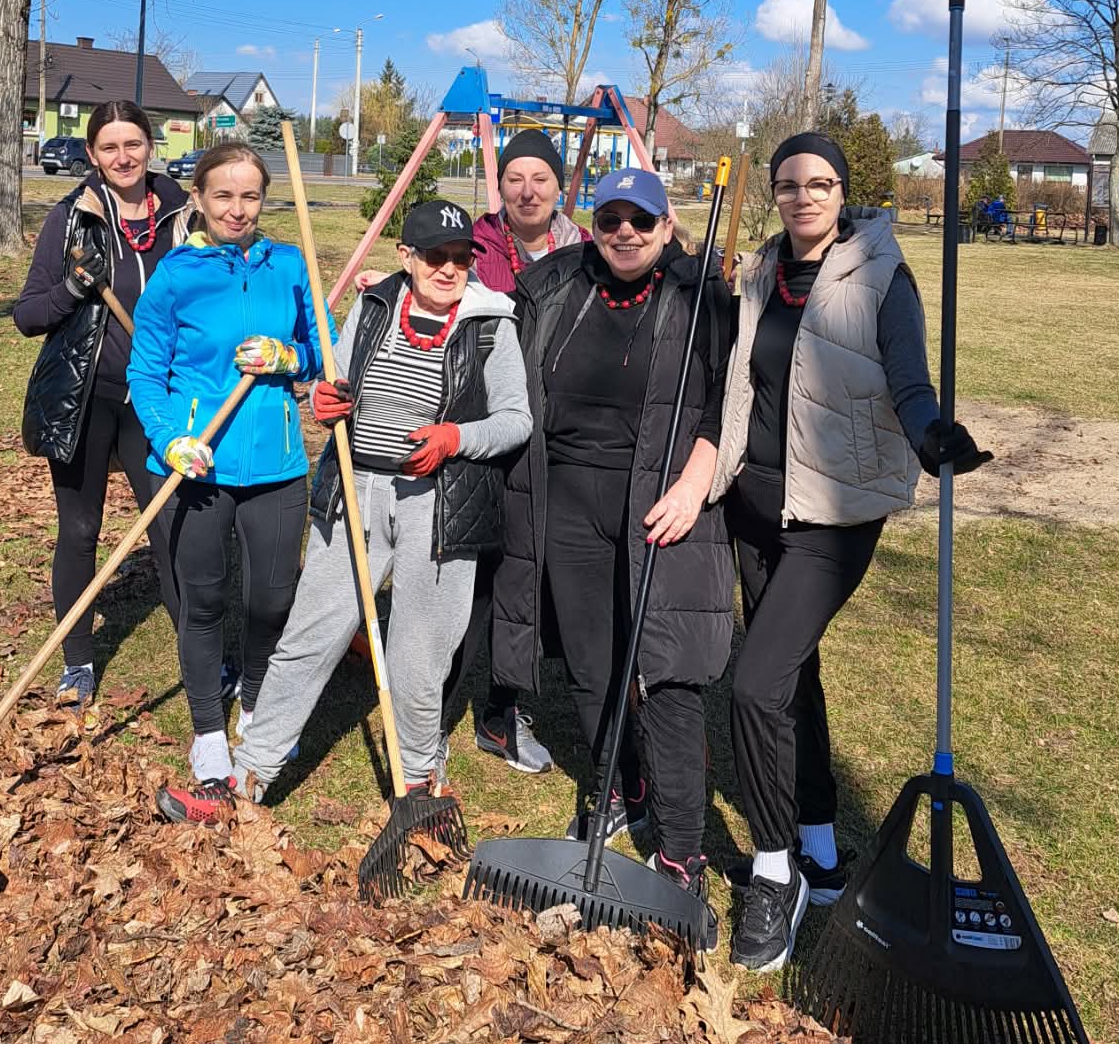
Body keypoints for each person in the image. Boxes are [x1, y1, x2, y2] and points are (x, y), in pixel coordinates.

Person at [712, 132, 991, 974]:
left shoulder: (883, 274)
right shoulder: (760, 273)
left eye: (821, 184)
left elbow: (910, 380)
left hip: (832, 518)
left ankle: (774, 872)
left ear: (843, 193)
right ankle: (823, 849)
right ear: (775, 191)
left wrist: (931, 435)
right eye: (791, 184)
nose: (805, 197)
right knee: (794, 674)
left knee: (756, 684)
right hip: (753, 506)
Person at [159, 198, 532, 819]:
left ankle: (420, 787)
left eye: (461, 258)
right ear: (405, 257)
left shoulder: (493, 325)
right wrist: (328, 401)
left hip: (440, 507)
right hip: (355, 492)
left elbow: (516, 421)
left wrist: (455, 439)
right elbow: (341, 384)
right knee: (310, 635)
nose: (448, 270)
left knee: (419, 653)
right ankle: (248, 777)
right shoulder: (376, 303)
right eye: (434, 257)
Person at [495, 166, 733, 942]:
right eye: (610, 220)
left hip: (660, 503)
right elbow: (480, 322)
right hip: (565, 502)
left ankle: (682, 853)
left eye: (642, 220)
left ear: (667, 228)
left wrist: (697, 482)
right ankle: (615, 779)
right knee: (594, 666)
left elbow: (734, 402)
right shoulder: (555, 285)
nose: (625, 233)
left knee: (667, 672)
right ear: (590, 225)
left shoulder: (702, 300)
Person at [125, 143, 326, 814]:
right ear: (200, 201)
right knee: (203, 602)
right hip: (196, 467)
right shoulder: (176, 276)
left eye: (249, 197)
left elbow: (321, 353)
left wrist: (288, 354)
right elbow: (145, 373)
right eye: (223, 196)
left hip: (276, 463)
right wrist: (170, 439)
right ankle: (209, 732)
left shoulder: (289, 264)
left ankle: (261, 694)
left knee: (272, 599)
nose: (237, 209)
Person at [15, 100, 192, 709]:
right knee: (81, 529)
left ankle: (199, 654)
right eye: (110, 147)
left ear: (151, 147)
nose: (124, 157)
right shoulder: (71, 220)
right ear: (92, 155)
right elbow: (27, 315)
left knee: (169, 526)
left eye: (134, 144)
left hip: (158, 400)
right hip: (86, 399)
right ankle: (78, 662)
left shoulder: (184, 216)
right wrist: (71, 285)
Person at [443, 128, 591, 774]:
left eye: (540, 178)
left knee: (531, 579)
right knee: (467, 585)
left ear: (561, 187)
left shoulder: (588, 250)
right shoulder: (472, 250)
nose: (527, 190)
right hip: (481, 434)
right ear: (498, 185)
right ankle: (432, 714)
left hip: (558, 442)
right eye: (514, 178)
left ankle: (502, 713)